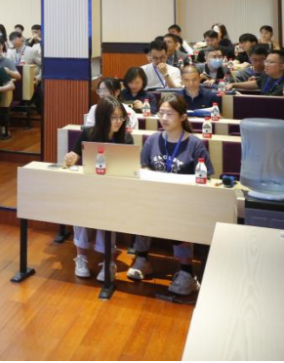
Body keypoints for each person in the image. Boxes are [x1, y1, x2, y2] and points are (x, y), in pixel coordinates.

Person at [128, 95, 212, 295]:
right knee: (140, 207)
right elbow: (143, 167)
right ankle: (142, 259)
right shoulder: (154, 139)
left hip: (184, 200)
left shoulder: (194, 144)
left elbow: (206, 176)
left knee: (178, 214)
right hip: (155, 196)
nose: (164, 118)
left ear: (183, 116)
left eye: (170, 114)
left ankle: (187, 272)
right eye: (161, 113)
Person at [63, 97, 133, 281]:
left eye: (121, 117)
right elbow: (73, 159)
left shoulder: (125, 138)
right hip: (89, 187)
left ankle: (108, 260)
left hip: (114, 190)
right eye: (114, 117)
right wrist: (70, 160)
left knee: (107, 213)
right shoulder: (88, 134)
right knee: (81, 209)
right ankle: (81, 257)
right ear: (103, 118)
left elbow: (130, 169)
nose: (118, 121)